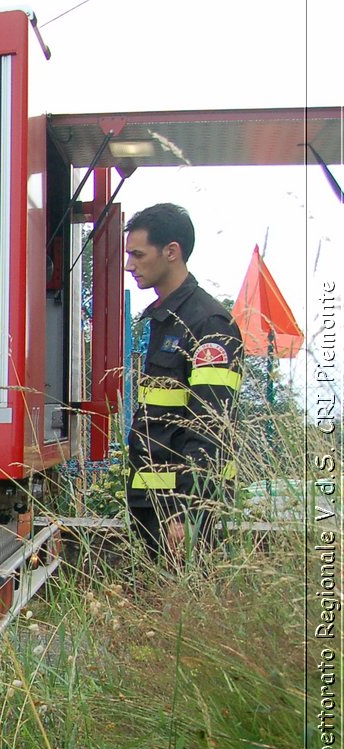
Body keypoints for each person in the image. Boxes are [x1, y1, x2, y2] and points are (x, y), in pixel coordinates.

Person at [123, 203, 244, 561]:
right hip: (153, 502)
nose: (130, 265)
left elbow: (210, 424)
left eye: (138, 254)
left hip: (179, 509)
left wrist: (186, 511)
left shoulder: (208, 324)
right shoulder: (168, 319)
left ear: (171, 251)